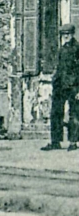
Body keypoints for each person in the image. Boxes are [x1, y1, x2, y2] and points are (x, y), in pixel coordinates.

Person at [42, 23, 79, 151]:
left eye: (68, 34)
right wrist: (54, 81)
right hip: (60, 86)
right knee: (56, 113)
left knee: (74, 114)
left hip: (74, 86)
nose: (66, 36)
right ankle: (55, 141)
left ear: (72, 34)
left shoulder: (77, 48)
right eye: (63, 34)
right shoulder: (62, 49)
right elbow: (59, 68)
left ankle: (73, 142)